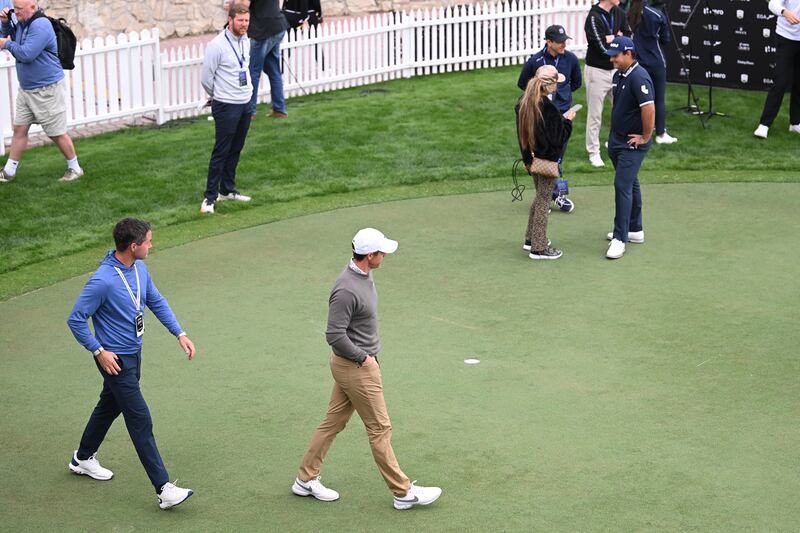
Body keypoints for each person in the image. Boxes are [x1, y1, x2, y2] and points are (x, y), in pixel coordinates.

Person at [293, 228, 442, 510]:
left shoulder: (363, 272)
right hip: (356, 367)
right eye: (381, 252)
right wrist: (363, 358)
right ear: (369, 255)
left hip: (354, 365)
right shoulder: (346, 290)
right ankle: (403, 492)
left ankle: (305, 479)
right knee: (380, 428)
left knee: (333, 422)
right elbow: (334, 335)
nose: (385, 255)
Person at [66, 218, 197, 509]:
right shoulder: (102, 280)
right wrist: (98, 350)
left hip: (134, 354)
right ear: (133, 245)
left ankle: (83, 458)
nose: (151, 245)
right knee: (140, 418)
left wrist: (180, 333)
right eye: (148, 242)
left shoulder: (139, 268)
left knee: (108, 406)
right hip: (115, 361)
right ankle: (163, 489)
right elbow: (75, 319)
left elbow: (156, 301)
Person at [0, 0, 84, 183]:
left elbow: (25, 54)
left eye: (20, 10)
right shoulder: (23, 21)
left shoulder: (40, 25)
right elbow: (11, 38)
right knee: (19, 129)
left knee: (56, 132)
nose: (16, 13)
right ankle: (9, 171)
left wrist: (6, 44)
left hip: (47, 89)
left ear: (33, 6)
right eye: (15, 9)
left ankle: (75, 168)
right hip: (27, 88)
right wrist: (6, 23)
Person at [518, 24, 581, 214]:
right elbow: (523, 83)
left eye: (564, 41)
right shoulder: (535, 60)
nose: (563, 44)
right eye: (559, 42)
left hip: (561, 112)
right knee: (544, 156)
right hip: (542, 115)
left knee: (559, 155)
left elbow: (576, 83)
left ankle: (552, 195)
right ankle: (549, 196)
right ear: (548, 42)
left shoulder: (570, 59)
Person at [516, 65, 576, 260]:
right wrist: (567, 122)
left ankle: (530, 239)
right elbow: (559, 139)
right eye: (555, 83)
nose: (557, 87)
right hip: (546, 161)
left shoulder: (523, 103)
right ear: (547, 86)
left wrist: (526, 159)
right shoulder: (548, 108)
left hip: (532, 160)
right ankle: (539, 248)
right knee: (544, 200)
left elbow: (521, 136)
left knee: (539, 197)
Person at [200, 3, 254, 214]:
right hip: (225, 104)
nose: (244, 24)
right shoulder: (217, 45)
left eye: (247, 20)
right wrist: (220, 94)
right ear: (230, 20)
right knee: (221, 151)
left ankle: (227, 190)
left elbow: (244, 68)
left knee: (236, 148)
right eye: (240, 20)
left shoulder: (246, 41)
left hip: (245, 102)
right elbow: (206, 78)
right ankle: (209, 198)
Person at [604, 36, 654, 260]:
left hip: (631, 144)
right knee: (631, 183)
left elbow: (649, 109)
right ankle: (635, 229)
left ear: (629, 54)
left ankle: (620, 237)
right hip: (617, 139)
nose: (612, 59)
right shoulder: (619, 75)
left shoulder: (639, 76)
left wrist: (645, 136)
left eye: (616, 55)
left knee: (622, 185)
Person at [584, 0, 631, 167]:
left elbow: (628, 37)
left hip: (616, 71)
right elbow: (600, 47)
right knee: (595, 114)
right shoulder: (593, 17)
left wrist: (613, 38)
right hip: (597, 71)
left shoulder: (619, 12)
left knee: (619, 110)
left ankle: (613, 143)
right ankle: (593, 152)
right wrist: (617, 39)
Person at [627, 0, 676, 144]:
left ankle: (636, 130)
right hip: (656, 62)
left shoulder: (629, 13)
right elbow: (666, 39)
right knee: (658, 99)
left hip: (637, 63)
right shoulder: (657, 15)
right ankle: (660, 133)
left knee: (636, 99)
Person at [754, 0, 800, 139]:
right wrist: (785, 12)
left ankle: (795, 122)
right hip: (786, 37)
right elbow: (772, 4)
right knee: (780, 82)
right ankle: (764, 124)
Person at [246, 0, 290, 119]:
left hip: (262, 30)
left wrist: (232, 7)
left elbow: (243, 5)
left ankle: (249, 112)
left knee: (252, 72)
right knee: (273, 70)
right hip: (278, 25)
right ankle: (280, 110)